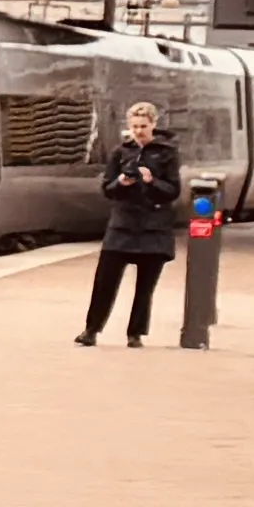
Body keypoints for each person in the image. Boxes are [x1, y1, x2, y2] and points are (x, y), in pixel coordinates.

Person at [79, 100, 184, 347]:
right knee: (105, 281)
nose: (138, 131)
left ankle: (135, 334)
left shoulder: (167, 153)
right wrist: (120, 183)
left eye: (143, 126)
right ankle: (91, 330)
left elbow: (173, 191)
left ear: (153, 125)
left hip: (154, 228)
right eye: (135, 126)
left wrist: (151, 181)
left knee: (144, 287)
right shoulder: (120, 152)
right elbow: (107, 188)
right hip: (122, 226)